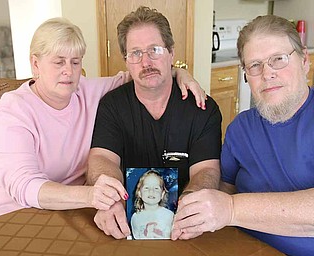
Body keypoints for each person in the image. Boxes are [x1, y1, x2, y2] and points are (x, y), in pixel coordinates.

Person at [0, 17, 207, 218]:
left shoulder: (86, 91)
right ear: (36, 64)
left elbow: (140, 74)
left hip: (73, 210)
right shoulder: (12, 111)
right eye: (59, 62)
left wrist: (179, 73)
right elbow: (24, 186)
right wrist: (91, 195)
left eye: (75, 62)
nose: (68, 71)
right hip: (15, 212)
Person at [172, 15, 314, 255]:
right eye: (255, 65)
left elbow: (228, 204)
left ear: (304, 61)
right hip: (242, 247)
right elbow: (225, 187)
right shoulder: (240, 129)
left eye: (278, 59)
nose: (267, 73)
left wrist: (231, 209)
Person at [87, 6, 222, 240]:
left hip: (187, 225)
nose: (146, 61)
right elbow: (102, 159)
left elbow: (207, 170)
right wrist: (109, 198)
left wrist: (188, 206)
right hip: (124, 223)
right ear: (126, 61)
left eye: (155, 50)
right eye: (136, 53)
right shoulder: (111, 106)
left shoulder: (203, 109)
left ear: (171, 52)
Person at [130, 170, 174, 239]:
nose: (151, 191)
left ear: (162, 194)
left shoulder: (169, 216)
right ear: (139, 193)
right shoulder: (135, 217)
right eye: (146, 188)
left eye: (156, 188)